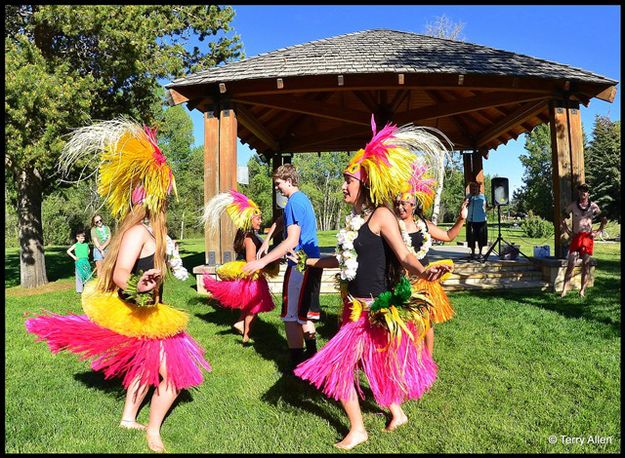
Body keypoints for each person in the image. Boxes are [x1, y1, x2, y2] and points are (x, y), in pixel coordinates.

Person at [25, 119, 211, 453]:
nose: (168, 201)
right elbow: (121, 273)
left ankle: (128, 418)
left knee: (146, 366)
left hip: (152, 313)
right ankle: (153, 430)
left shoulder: (157, 234)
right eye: (164, 196)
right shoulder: (139, 232)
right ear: (153, 200)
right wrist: (139, 285)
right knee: (175, 378)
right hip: (142, 313)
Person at [289, 116, 453, 450]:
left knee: (341, 367)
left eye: (348, 180)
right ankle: (396, 411)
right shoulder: (353, 221)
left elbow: (405, 255)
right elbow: (346, 261)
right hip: (354, 307)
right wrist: (311, 261)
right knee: (369, 362)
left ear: (364, 183)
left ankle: (358, 429)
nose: (343, 186)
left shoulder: (382, 216)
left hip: (375, 310)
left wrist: (423, 272)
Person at [242, 164, 323, 371]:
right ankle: (312, 357)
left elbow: (291, 240)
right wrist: (268, 238)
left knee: (290, 316)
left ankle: (296, 365)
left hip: (300, 264)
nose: (277, 188)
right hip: (309, 263)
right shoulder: (297, 200)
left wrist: (262, 261)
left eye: (278, 184)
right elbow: (281, 219)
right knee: (302, 313)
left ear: (289, 181)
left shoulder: (294, 202)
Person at [394, 160, 468, 355]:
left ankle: (427, 359)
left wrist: (461, 218)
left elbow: (448, 236)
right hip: (403, 281)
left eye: (404, 203)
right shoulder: (392, 226)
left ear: (413, 205)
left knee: (426, 321)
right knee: (407, 322)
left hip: (425, 281)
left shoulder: (423, 225)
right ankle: (410, 357)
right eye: (398, 203)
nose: (400, 207)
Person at [201, 190, 278, 344]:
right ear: (249, 219)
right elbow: (250, 261)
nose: (260, 221)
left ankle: (240, 324)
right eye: (258, 218)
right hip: (251, 275)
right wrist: (267, 266)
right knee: (255, 306)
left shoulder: (247, 235)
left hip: (248, 275)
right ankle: (246, 334)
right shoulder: (249, 238)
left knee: (250, 305)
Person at [560, 183, 606, 297]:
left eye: (585, 191)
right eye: (581, 191)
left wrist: (599, 231)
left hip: (587, 238)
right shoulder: (573, 206)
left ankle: (582, 291)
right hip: (576, 237)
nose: (583, 193)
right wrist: (568, 231)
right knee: (571, 263)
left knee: (586, 264)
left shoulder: (594, 206)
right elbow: (562, 217)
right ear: (579, 193)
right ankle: (564, 290)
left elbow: (604, 219)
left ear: (588, 193)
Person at [465, 181, 489, 261]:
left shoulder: (483, 197)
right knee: (471, 238)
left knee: (481, 238)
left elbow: (487, 207)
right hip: (471, 220)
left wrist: (492, 207)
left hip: (481, 220)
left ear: (479, 188)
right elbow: (464, 205)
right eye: (472, 188)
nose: (474, 189)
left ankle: (480, 253)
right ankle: (472, 253)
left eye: (476, 187)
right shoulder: (469, 196)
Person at [67, 229, 93, 293]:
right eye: (81, 238)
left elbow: (88, 250)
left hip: (86, 261)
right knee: (79, 275)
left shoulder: (86, 244)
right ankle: (79, 290)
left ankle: (88, 287)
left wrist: (86, 255)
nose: (83, 239)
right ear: (77, 238)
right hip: (79, 262)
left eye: (83, 238)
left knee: (87, 274)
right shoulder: (76, 245)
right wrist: (74, 257)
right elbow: (68, 251)